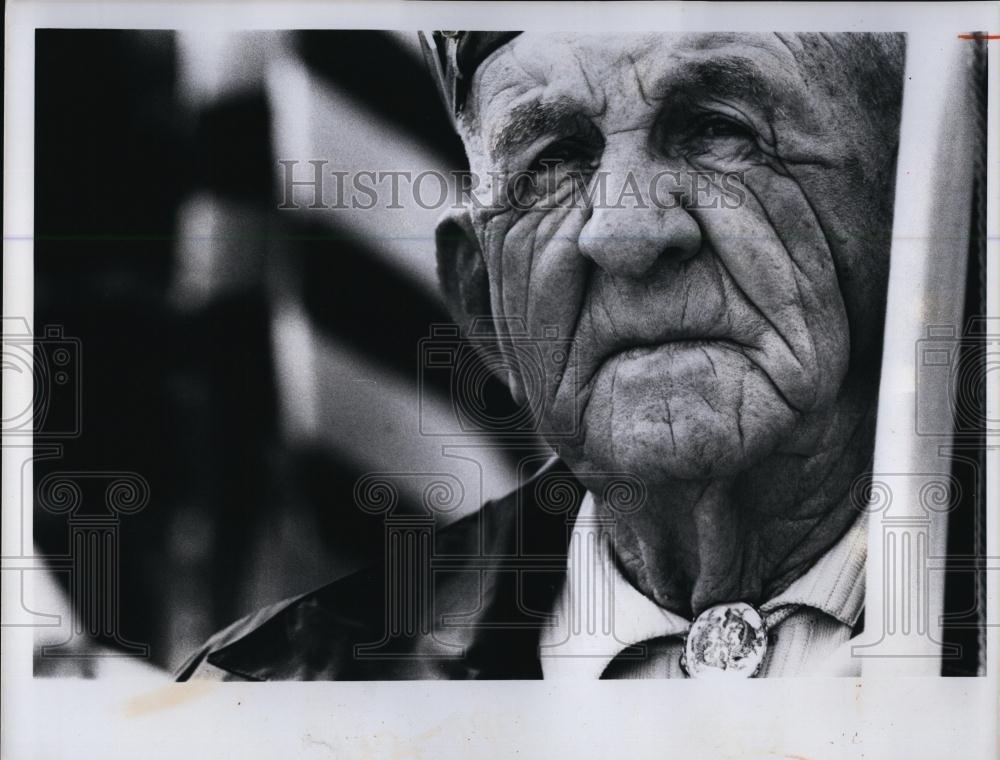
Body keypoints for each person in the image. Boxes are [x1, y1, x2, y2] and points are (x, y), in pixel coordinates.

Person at [177, 32, 906, 680]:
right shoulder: (269, 696)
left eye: (720, 130)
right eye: (554, 160)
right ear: (482, 304)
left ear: (916, 220)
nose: (623, 234)